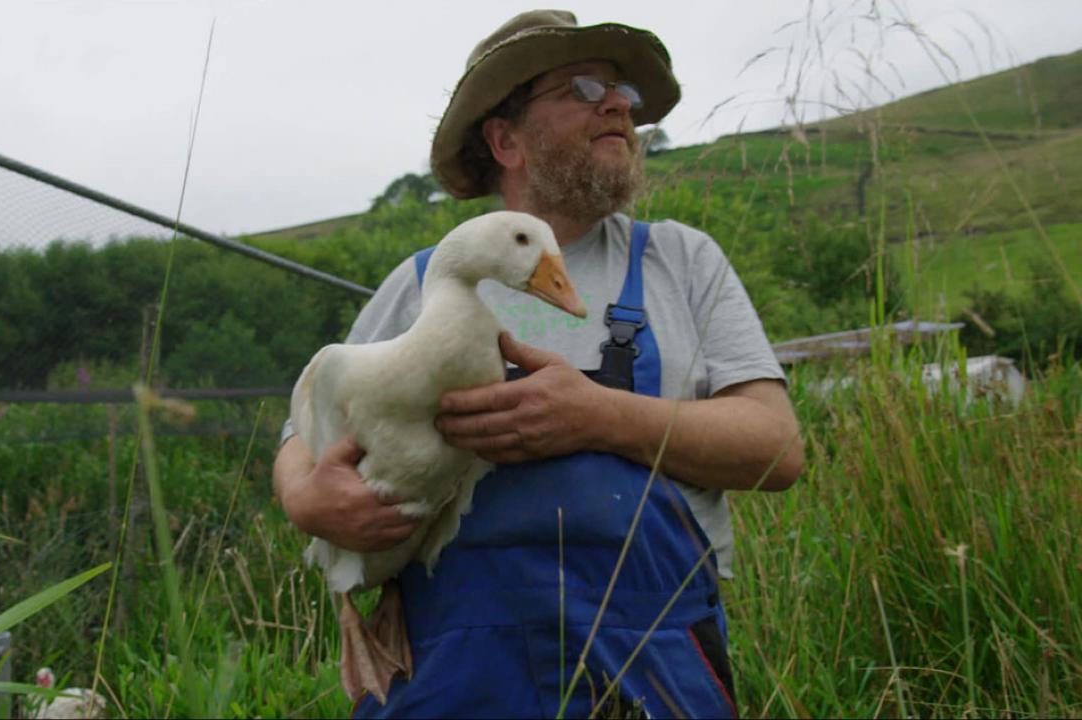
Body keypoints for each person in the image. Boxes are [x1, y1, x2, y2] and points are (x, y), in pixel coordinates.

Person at [272, 9, 804, 718]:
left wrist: (599, 416)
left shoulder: (682, 261)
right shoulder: (423, 281)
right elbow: (301, 439)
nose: (617, 104)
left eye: (623, 94)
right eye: (582, 88)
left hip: (651, 663)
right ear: (506, 139)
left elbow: (777, 449)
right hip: (448, 670)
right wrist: (307, 500)